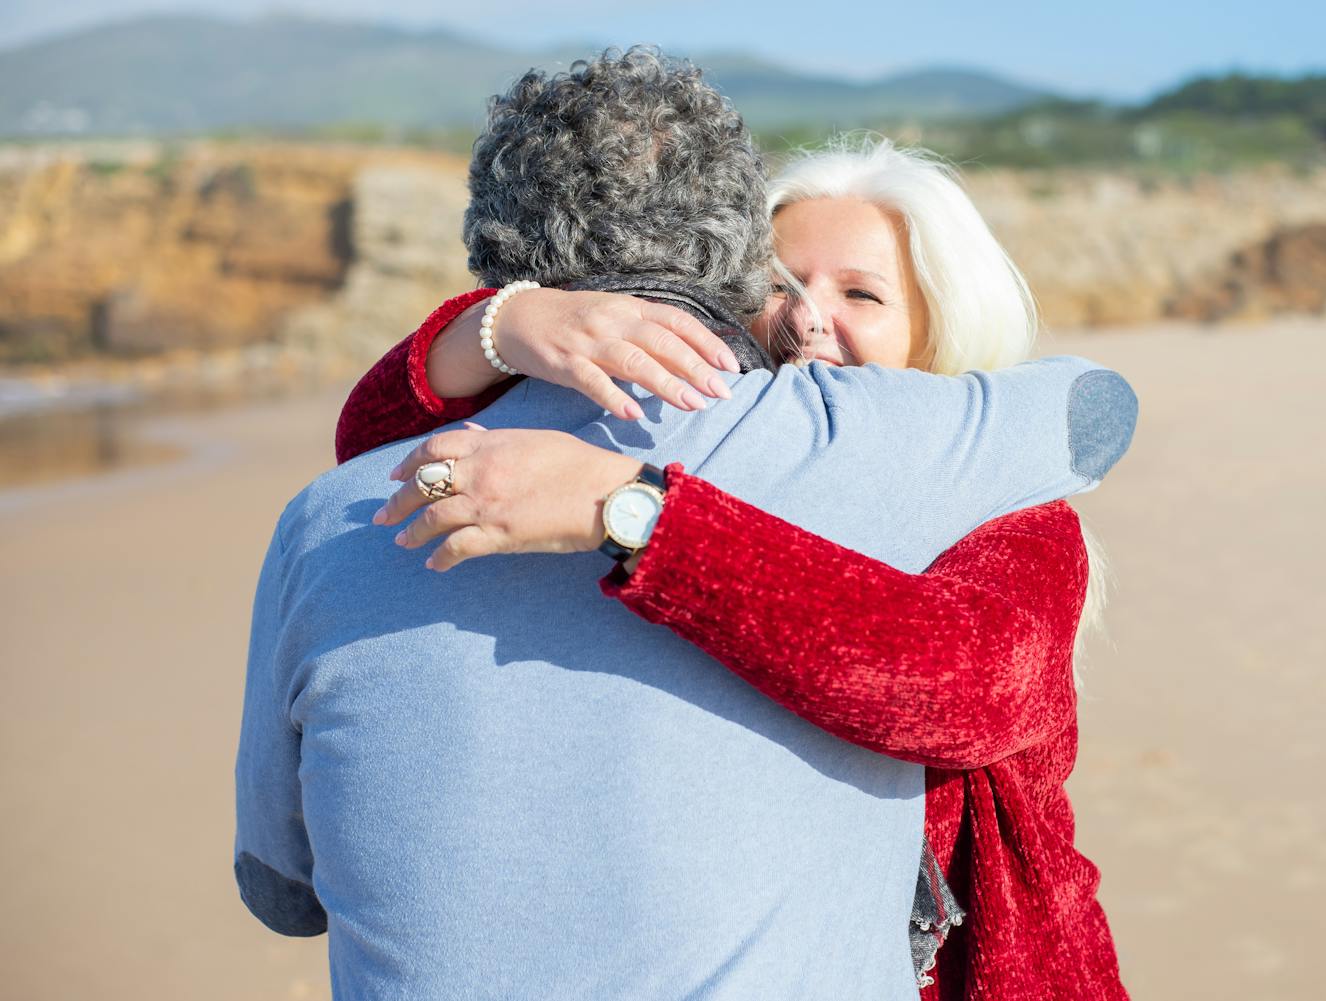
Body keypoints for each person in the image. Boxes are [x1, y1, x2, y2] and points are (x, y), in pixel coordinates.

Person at [236, 48, 1135, 1000]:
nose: (807, 321)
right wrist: (500, 327)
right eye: (784, 283)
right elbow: (368, 433)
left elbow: (973, 683)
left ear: (948, 328)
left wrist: (632, 510)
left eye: (862, 294)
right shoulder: (790, 436)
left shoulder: (979, 499)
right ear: (736, 278)